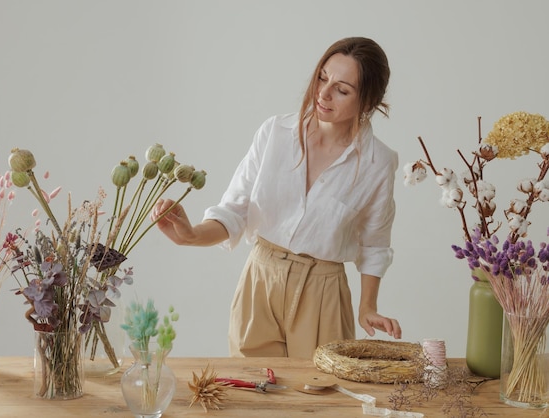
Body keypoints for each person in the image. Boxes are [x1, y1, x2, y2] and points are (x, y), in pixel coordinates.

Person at [151, 37, 402, 359]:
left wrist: (368, 306)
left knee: (321, 400)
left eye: (342, 89)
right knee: (255, 397)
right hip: (261, 279)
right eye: (322, 78)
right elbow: (236, 210)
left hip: (324, 290)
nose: (323, 94)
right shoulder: (275, 133)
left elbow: (375, 244)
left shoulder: (377, 162)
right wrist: (192, 235)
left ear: (368, 101)